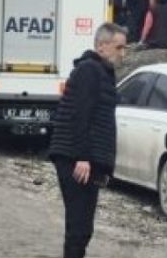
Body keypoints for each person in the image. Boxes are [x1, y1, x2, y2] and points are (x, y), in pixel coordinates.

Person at [46, 23, 126, 258]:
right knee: (79, 226)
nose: (123, 54)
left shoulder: (101, 71)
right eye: (119, 47)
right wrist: (82, 157)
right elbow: (80, 114)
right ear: (101, 46)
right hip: (76, 158)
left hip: (85, 158)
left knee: (82, 227)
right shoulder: (89, 70)